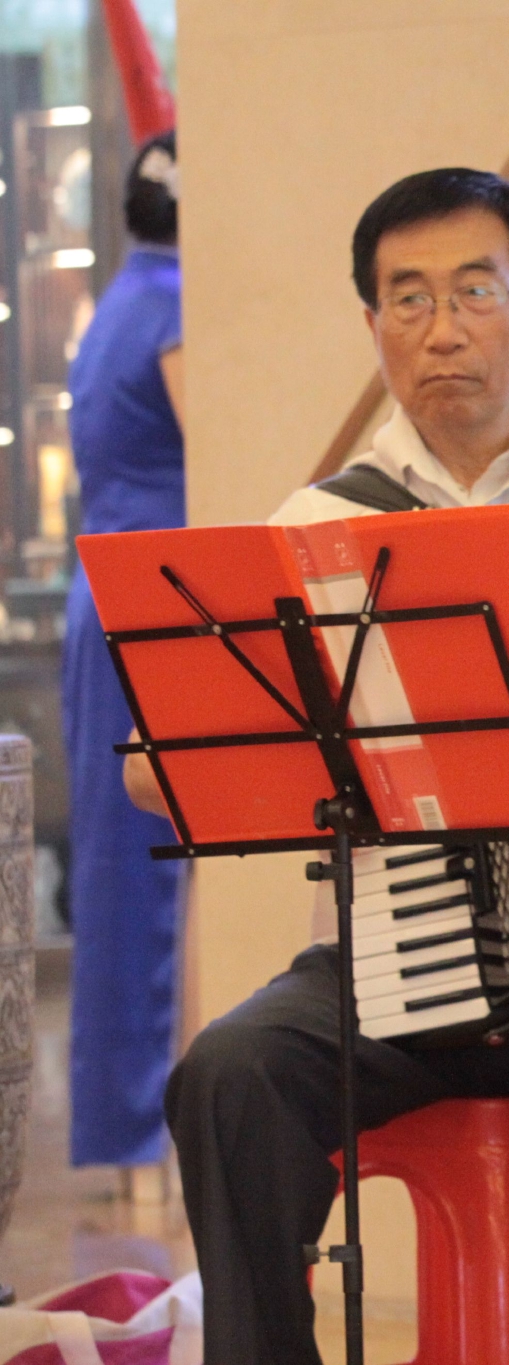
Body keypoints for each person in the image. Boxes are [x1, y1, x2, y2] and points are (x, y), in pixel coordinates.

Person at [130, 168, 509, 1365]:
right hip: (390, 963)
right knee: (228, 1072)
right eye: (405, 299)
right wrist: (188, 764)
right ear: (372, 328)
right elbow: (217, 759)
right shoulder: (313, 523)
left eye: (476, 290)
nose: (442, 327)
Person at [62, 129, 187, 1177]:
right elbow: (218, 440)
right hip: (151, 605)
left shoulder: (120, 302)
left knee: (119, 872)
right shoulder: (180, 306)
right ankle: (136, 1134)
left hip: (98, 593)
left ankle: (117, 1133)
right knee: (143, 877)